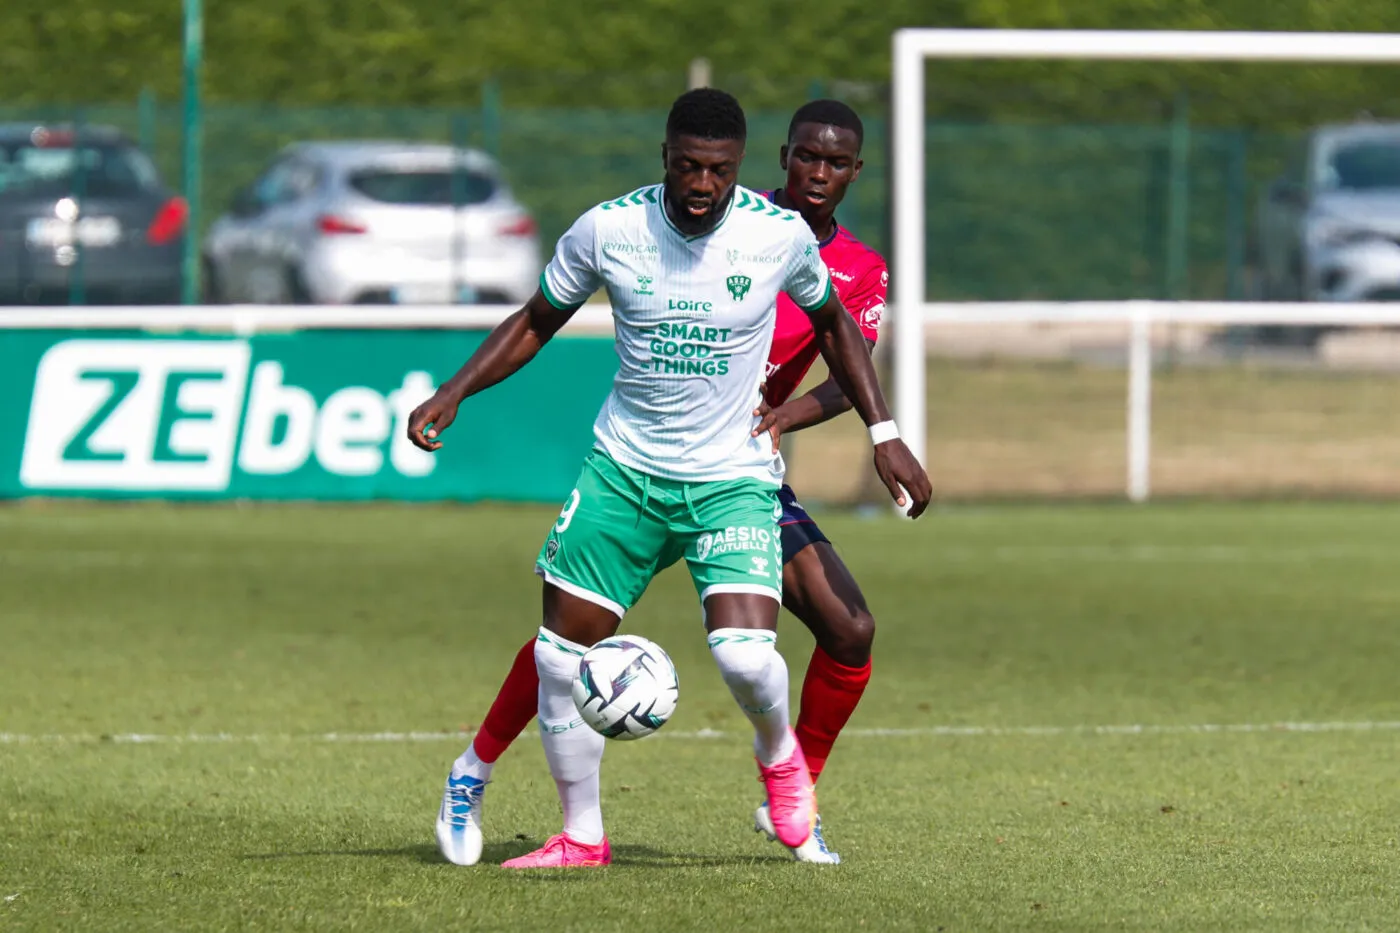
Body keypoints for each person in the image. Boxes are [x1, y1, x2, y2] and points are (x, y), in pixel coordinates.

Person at [409, 88, 930, 870]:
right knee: (562, 653)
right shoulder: (611, 227)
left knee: (768, 650)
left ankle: (793, 776)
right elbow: (536, 319)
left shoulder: (786, 242)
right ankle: (524, 803)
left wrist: (880, 433)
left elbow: (839, 334)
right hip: (627, 470)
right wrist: (454, 390)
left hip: (735, 472)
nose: (700, 184)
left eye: (716, 170)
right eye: (687, 166)